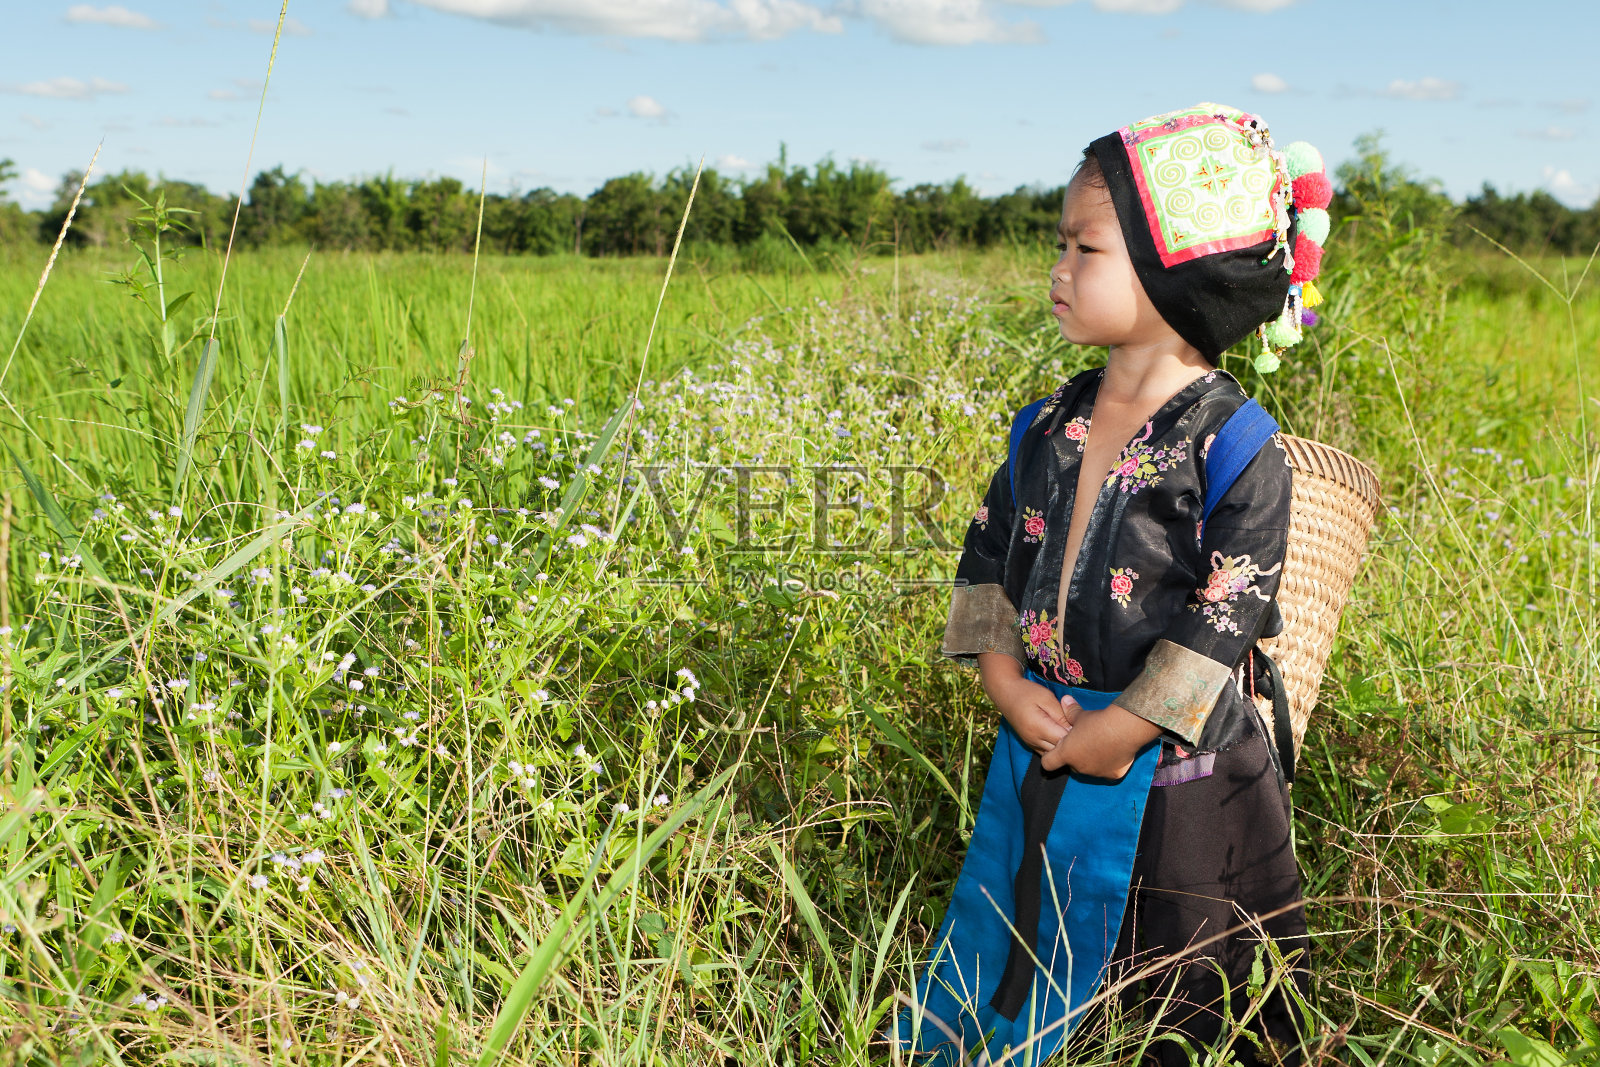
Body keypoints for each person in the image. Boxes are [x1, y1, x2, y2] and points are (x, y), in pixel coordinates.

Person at [898, 103, 1333, 1065]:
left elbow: (1231, 610)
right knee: (1027, 927)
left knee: (1170, 968)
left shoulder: (1238, 447)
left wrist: (1125, 727)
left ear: (1171, 266)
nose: (1056, 271)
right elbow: (986, 557)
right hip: (1047, 726)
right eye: (1059, 245)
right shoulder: (1046, 423)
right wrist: (1004, 683)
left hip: (1180, 762)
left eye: (1082, 248)